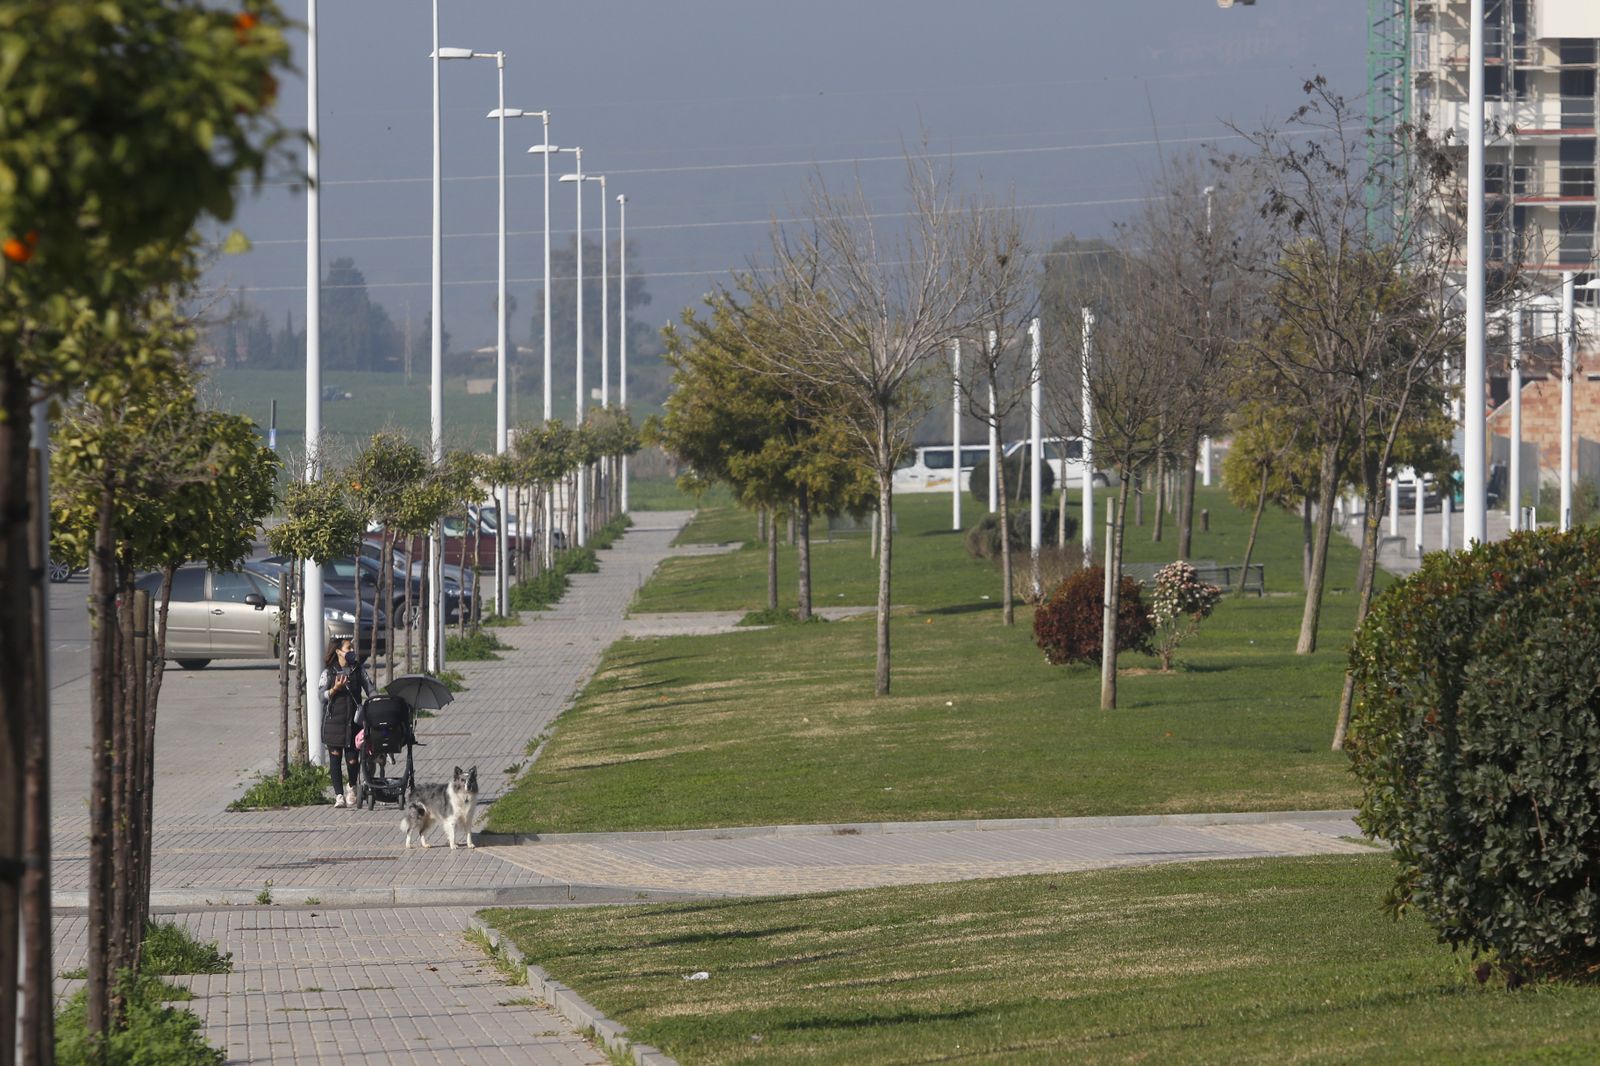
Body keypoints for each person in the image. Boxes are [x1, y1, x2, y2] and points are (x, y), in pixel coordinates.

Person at [318, 637, 374, 808]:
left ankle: (352, 786)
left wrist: (377, 701)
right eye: (348, 648)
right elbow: (321, 696)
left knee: (352, 760)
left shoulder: (358, 669)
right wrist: (335, 689)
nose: (351, 651)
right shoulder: (329, 672)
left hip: (354, 723)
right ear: (338, 652)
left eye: (352, 648)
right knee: (335, 759)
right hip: (334, 722)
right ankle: (339, 795)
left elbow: (370, 689)